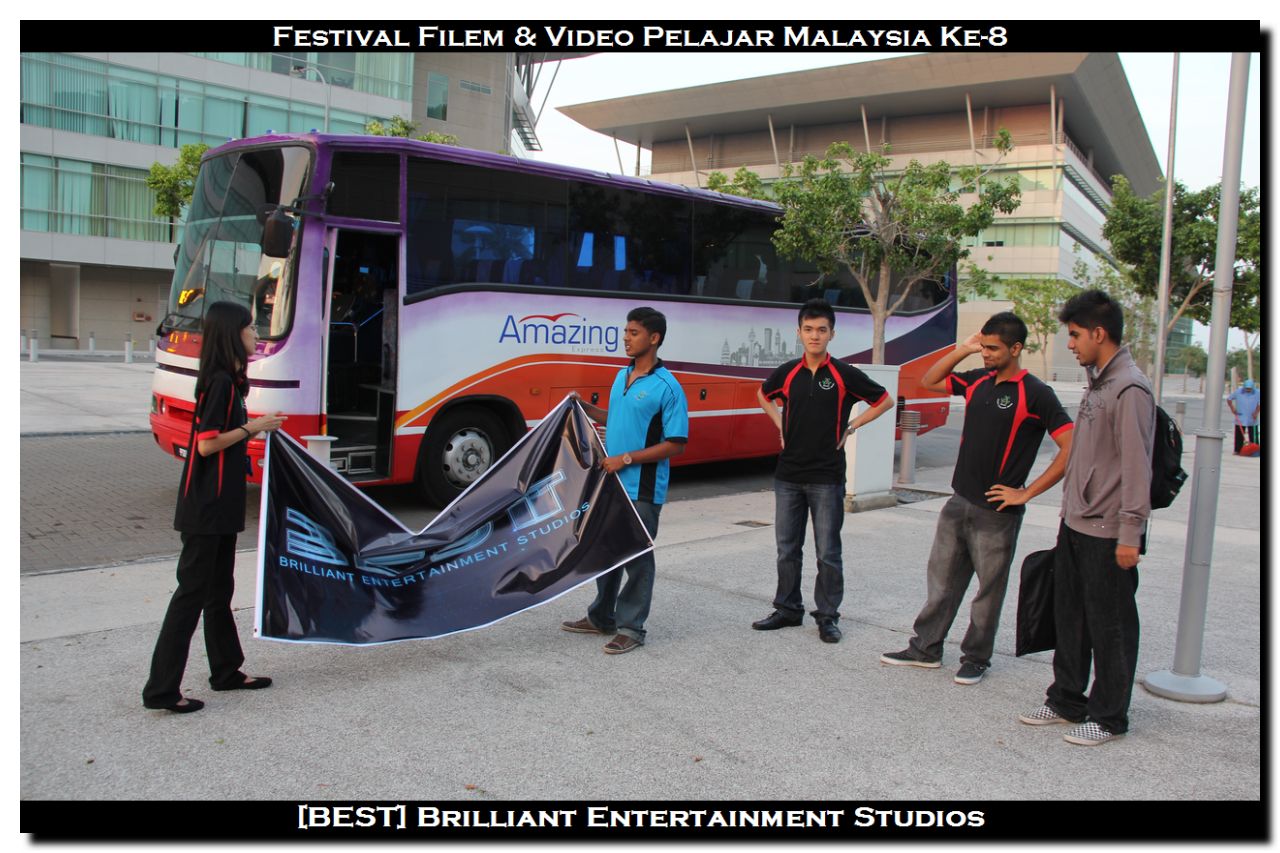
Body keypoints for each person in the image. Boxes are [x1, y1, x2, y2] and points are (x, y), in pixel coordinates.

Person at [881, 313, 1073, 684]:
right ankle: (925, 649)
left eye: (992, 348)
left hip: (997, 513)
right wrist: (964, 349)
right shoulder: (978, 380)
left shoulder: (1035, 393)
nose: (985, 353)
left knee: (988, 593)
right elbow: (929, 380)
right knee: (941, 583)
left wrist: (1026, 492)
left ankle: (976, 658)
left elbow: (1070, 444)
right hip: (958, 502)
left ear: (1016, 349)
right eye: (983, 346)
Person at [1019, 290, 1155, 746]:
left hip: (1109, 529)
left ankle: (1110, 716)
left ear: (1099, 334)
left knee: (1110, 625)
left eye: (1076, 335)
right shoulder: (1099, 382)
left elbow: (1137, 466)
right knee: (1071, 617)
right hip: (1077, 523)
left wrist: (1130, 532)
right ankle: (1066, 700)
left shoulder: (1130, 388)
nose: (1071, 344)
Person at [142, 302, 287, 713]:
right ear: (231, 334)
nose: (256, 334)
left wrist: (251, 427)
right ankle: (161, 689)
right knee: (191, 594)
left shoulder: (228, 381)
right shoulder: (220, 383)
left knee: (219, 591)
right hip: (205, 506)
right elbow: (206, 445)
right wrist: (253, 427)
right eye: (250, 328)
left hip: (220, 505)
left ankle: (226, 671)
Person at [751, 298, 895, 643]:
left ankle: (827, 616)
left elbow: (884, 400)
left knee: (828, 553)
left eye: (821, 330)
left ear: (832, 334)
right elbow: (762, 394)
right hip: (788, 476)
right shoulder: (788, 372)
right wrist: (780, 424)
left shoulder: (844, 374)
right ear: (799, 332)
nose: (814, 336)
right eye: (808, 329)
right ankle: (788, 609)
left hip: (827, 477)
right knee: (787, 549)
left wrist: (853, 425)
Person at [561, 307, 689, 654]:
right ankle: (602, 617)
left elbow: (676, 443)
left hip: (642, 488)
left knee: (636, 556)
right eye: (626, 332)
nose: (626, 338)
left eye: (634, 333)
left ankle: (632, 627)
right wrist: (585, 408)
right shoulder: (622, 376)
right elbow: (617, 417)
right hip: (612, 483)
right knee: (607, 551)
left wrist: (626, 458)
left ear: (654, 338)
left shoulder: (668, 387)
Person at [1227, 379, 1260, 454]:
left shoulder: (1257, 393)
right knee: (1239, 435)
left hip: (1252, 417)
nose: (1248, 390)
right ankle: (1237, 450)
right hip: (1240, 417)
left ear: (1253, 387)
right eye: (1247, 388)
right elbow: (1229, 399)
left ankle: (1255, 451)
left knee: (1254, 436)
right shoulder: (1238, 392)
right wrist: (1232, 408)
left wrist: (1256, 412)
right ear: (1244, 387)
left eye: (1250, 389)